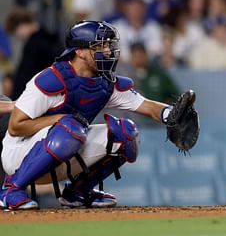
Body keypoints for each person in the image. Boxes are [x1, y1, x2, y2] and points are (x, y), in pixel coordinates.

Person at [0, 20, 197, 210]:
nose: (108, 51)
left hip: (65, 146)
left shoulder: (104, 83)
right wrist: (58, 119)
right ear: (80, 52)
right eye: (100, 46)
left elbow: (146, 106)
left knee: (126, 133)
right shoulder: (51, 79)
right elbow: (16, 127)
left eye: (108, 45)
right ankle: (12, 189)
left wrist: (170, 114)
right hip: (19, 155)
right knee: (70, 127)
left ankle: (77, 192)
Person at [5, 8, 63, 100]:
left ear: (22, 25)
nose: (17, 36)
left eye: (15, 31)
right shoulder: (49, 38)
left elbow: (25, 76)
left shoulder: (33, 45)